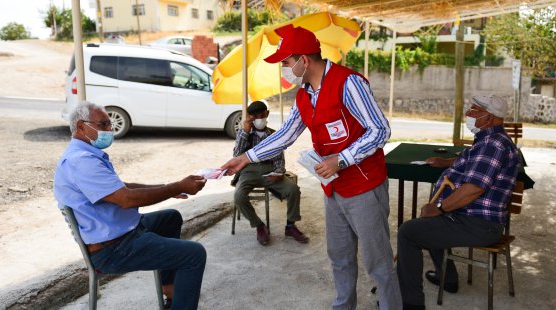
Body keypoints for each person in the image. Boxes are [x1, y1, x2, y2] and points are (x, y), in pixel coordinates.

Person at [221, 25, 401, 310]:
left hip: (364, 186)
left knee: (378, 263)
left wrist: (341, 158)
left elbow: (380, 130)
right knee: (340, 257)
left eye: (286, 62)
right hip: (333, 189)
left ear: (304, 60)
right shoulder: (305, 94)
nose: (285, 69)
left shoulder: (349, 83)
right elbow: (286, 134)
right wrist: (247, 157)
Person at [53, 101, 207, 310]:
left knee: (171, 217)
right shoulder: (81, 161)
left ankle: (169, 289)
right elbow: (126, 199)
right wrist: (175, 187)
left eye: (109, 124)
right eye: (103, 124)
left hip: (125, 232)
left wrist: (170, 187)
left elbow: (122, 187)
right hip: (114, 249)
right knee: (194, 254)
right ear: (81, 126)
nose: (110, 130)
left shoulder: (86, 155)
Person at [396, 94, 520, 310]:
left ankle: (410, 303)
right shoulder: (489, 140)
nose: (468, 114)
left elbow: (474, 188)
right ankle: (448, 278)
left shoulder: (494, 145)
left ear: (488, 118)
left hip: (479, 224)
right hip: (472, 219)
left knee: (409, 232)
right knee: (429, 224)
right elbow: (473, 159)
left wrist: (440, 207)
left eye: (474, 110)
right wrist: (447, 162)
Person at [231, 100, 307, 246]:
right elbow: (237, 156)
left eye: (262, 115)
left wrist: (278, 173)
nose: (259, 119)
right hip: (248, 171)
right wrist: (245, 132)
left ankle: (290, 226)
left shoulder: (274, 135)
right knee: (239, 196)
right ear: (250, 117)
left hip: (269, 171)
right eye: (255, 116)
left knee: (293, 190)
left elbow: (279, 161)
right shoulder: (245, 133)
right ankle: (259, 226)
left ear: (267, 114)